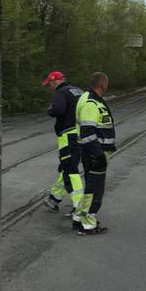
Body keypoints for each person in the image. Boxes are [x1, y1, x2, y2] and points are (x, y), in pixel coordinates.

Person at [74, 71, 116, 236]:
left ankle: (79, 218)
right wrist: (98, 155)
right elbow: (87, 132)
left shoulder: (89, 98)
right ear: (103, 84)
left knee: (91, 187)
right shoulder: (91, 103)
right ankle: (88, 223)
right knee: (95, 189)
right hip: (95, 153)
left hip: (93, 151)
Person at [40, 71, 84, 218]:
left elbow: (57, 110)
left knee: (70, 169)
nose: (50, 87)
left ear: (55, 81)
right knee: (65, 167)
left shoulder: (61, 92)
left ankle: (80, 207)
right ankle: (55, 198)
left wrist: (50, 109)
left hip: (68, 135)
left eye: (50, 84)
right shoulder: (78, 90)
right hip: (81, 134)